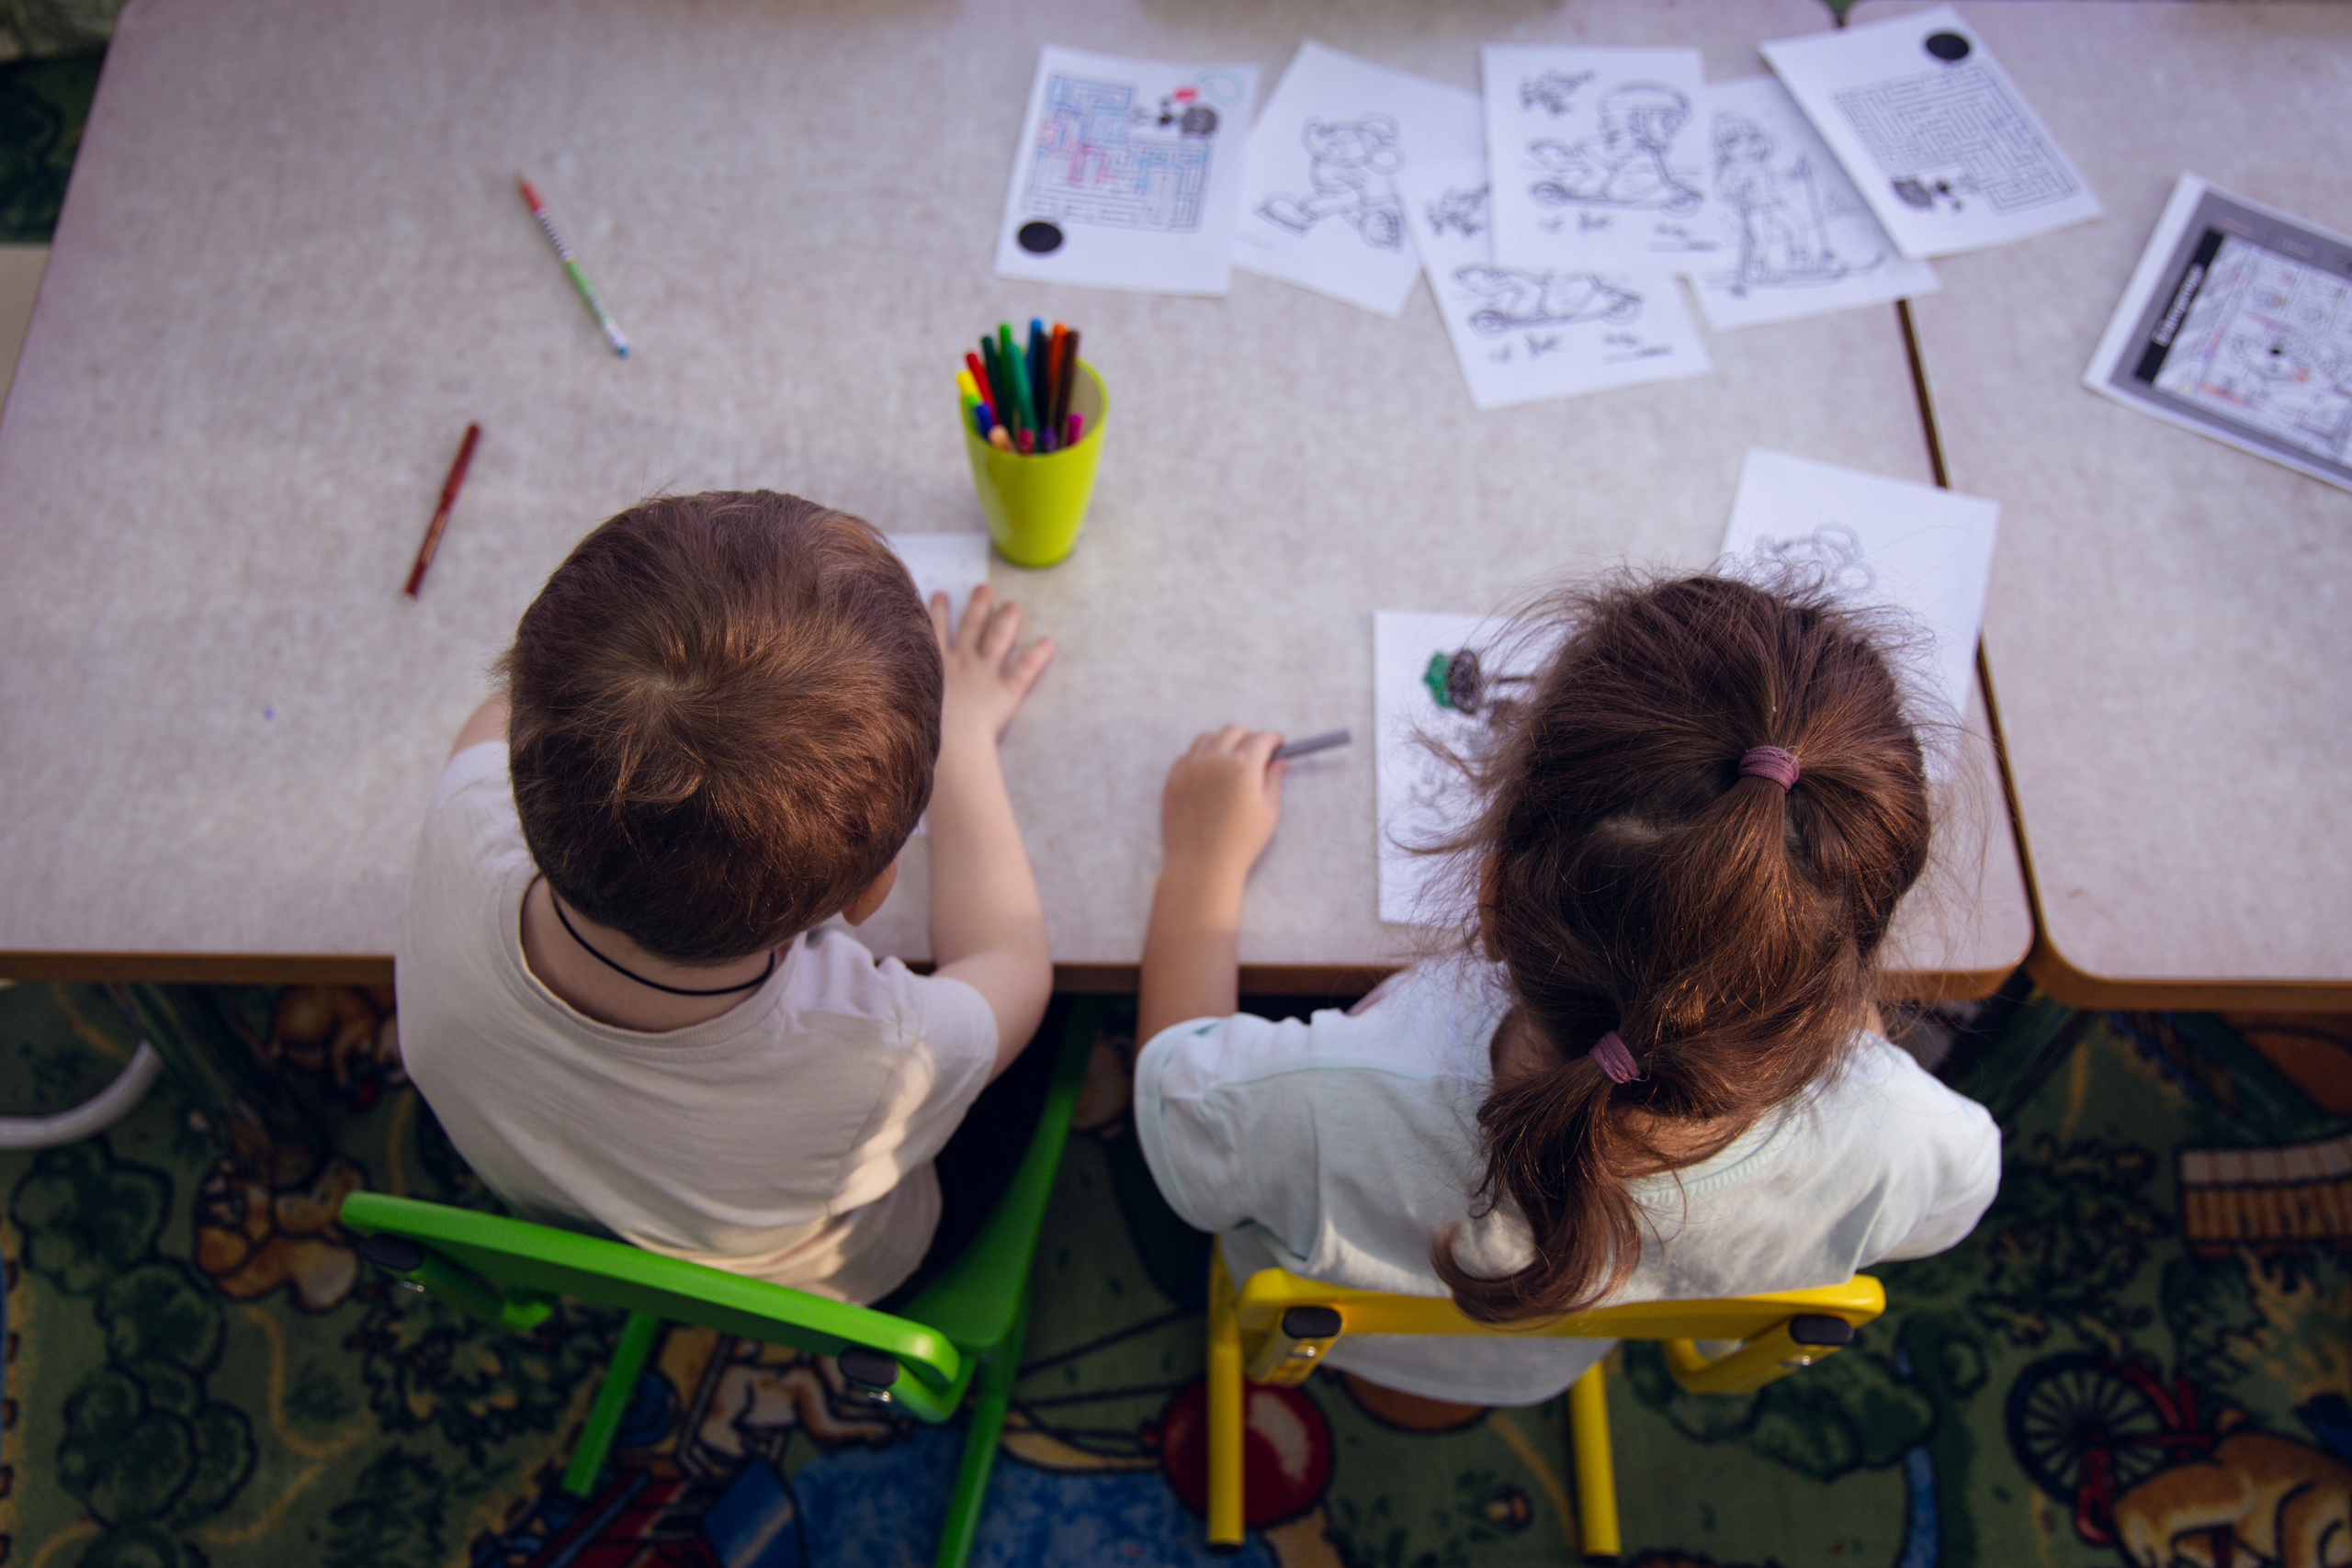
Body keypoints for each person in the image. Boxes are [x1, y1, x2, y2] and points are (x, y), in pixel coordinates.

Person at [1131, 574, 2000, 1406]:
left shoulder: (1315, 1098)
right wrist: (1836, 1015)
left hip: (1327, 1337)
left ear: (1493, 895)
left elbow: (1172, 1103)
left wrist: (1200, 864)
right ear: (1852, 964)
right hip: (1549, 1369)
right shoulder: (1902, 1144)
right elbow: (1958, 1193)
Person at [397, 491, 1055, 1306]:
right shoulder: (884, 1057)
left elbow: (508, 708)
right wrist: (962, 742)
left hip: (562, 1208)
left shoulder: (464, 820)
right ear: (869, 893)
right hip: (848, 1268)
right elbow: (1013, 962)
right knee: (1049, 1045)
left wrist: (623, 662)